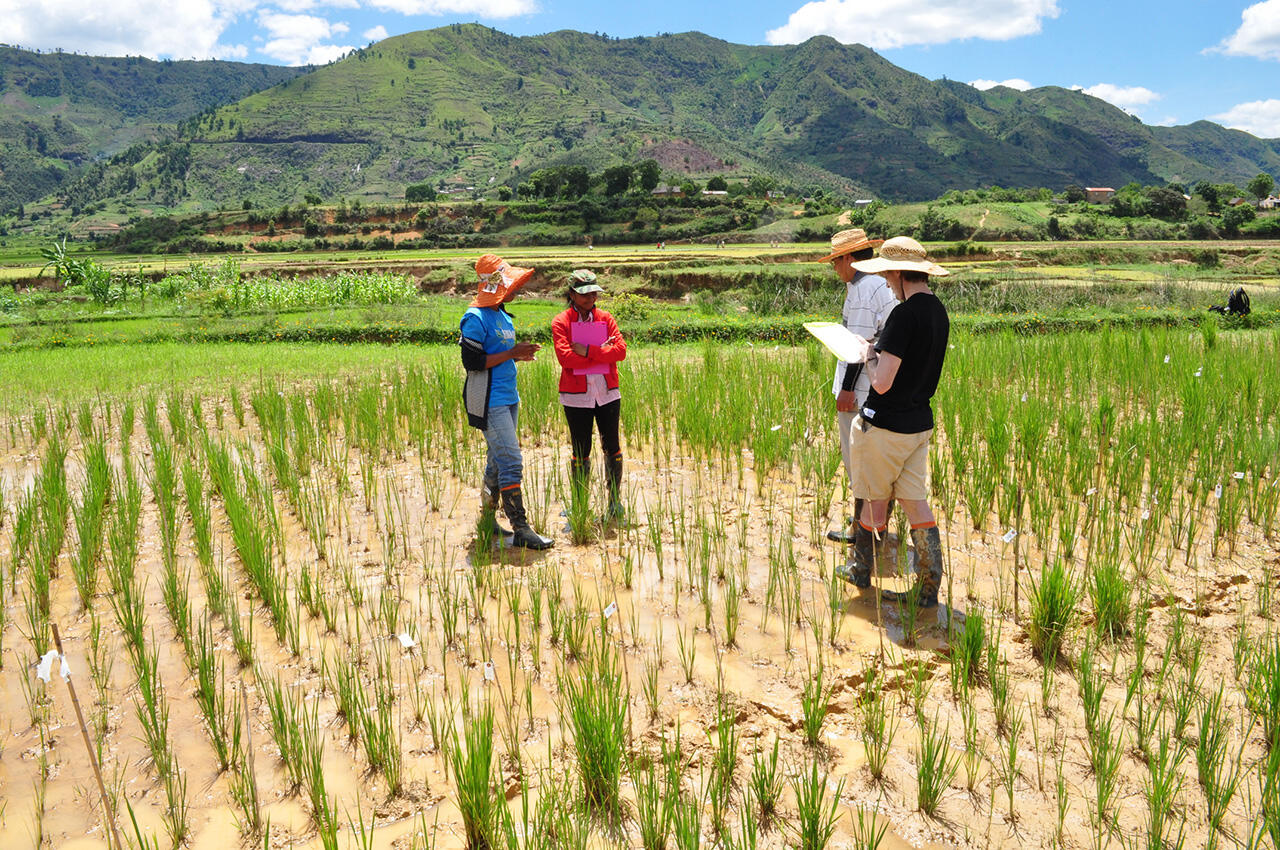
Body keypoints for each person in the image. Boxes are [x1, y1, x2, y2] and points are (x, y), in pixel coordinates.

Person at [836, 236, 950, 607]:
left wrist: (869, 353)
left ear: (900, 273)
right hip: (919, 425)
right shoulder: (938, 311)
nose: (885, 281)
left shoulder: (904, 316)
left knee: (873, 502)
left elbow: (882, 383)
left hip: (885, 428)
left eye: (887, 273)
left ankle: (860, 571)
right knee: (917, 506)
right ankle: (929, 588)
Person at [460, 254, 553, 550]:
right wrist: (513, 353)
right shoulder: (474, 317)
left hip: (509, 396)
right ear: (495, 285)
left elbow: (499, 355)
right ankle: (521, 528)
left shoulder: (501, 314)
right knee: (511, 460)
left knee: (497, 463)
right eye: (510, 284)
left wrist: (519, 354)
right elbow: (472, 362)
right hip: (489, 399)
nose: (515, 290)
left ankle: (487, 521)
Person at [818, 229, 897, 547]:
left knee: (860, 462)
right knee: (872, 462)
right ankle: (873, 525)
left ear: (849, 258)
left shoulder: (864, 289)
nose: (835, 268)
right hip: (875, 385)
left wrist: (846, 390)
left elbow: (858, 346)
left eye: (836, 261)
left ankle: (864, 532)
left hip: (862, 388)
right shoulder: (871, 283)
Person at [551, 269, 628, 519]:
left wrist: (587, 351)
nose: (590, 298)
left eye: (594, 293)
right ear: (572, 294)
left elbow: (621, 351)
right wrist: (601, 350)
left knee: (612, 446)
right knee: (580, 449)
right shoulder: (561, 322)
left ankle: (614, 502)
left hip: (607, 392)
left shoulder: (606, 318)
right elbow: (566, 359)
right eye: (584, 294)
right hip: (576, 396)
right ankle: (580, 504)